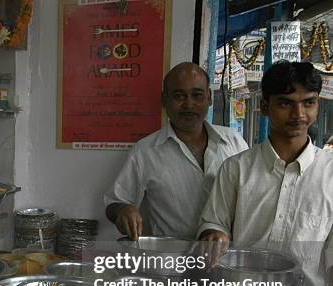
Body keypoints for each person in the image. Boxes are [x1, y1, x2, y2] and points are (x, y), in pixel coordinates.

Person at [198, 61, 333, 286]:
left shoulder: (330, 175)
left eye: (309, 102)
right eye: (286, 102)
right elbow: (214, 222)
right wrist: (213, 235)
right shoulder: (237, 169)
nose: (299, 113)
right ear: (265, 105)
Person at [104, 62, 248, 240]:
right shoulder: (145, 151)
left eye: (197, 95)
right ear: (164, 100)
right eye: (179, 96)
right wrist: (122, 210)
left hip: (226, 258)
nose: (189, 104)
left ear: (209, 97)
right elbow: (114, 202)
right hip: (171, 261)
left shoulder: (234, 142)